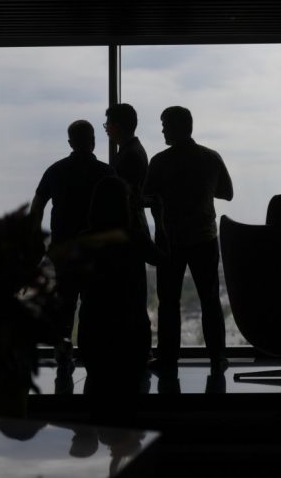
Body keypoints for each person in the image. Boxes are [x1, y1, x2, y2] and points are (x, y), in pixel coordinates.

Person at [143, 106, 233, 374]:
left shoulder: (160, 162)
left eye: (164, 125)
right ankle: (218, 357)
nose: (162, 130)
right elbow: (227, 193)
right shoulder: (211, 158)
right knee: (210, 300)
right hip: (205, 237)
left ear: (175, 128)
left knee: (169, 302)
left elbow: (146, 197)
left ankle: (168, 358)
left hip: (170, 240)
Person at [76, 176, 165, 423]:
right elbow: (162, 258)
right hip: (131, 332)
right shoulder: (135, 238)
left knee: (97, 393)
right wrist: (158, 219)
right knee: (130, 399)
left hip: (93, 332)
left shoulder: (84, 240)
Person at [29, 120, 114, 376]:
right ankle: (92, 355)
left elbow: (37, 206)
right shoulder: (106, 172)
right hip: (96, 252)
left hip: (63, 250)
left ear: (70, 143)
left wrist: (36, 239)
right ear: (93, 140)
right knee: (93, 307)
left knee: (65, 307)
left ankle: (63, 357)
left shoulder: (55, 170)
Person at [104, 103, 150, 235]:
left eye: (107, 124)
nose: (106, 129)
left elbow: (125, 195)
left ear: (117, 126)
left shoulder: (129, 154)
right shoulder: (134, 150)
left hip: (128, 227)